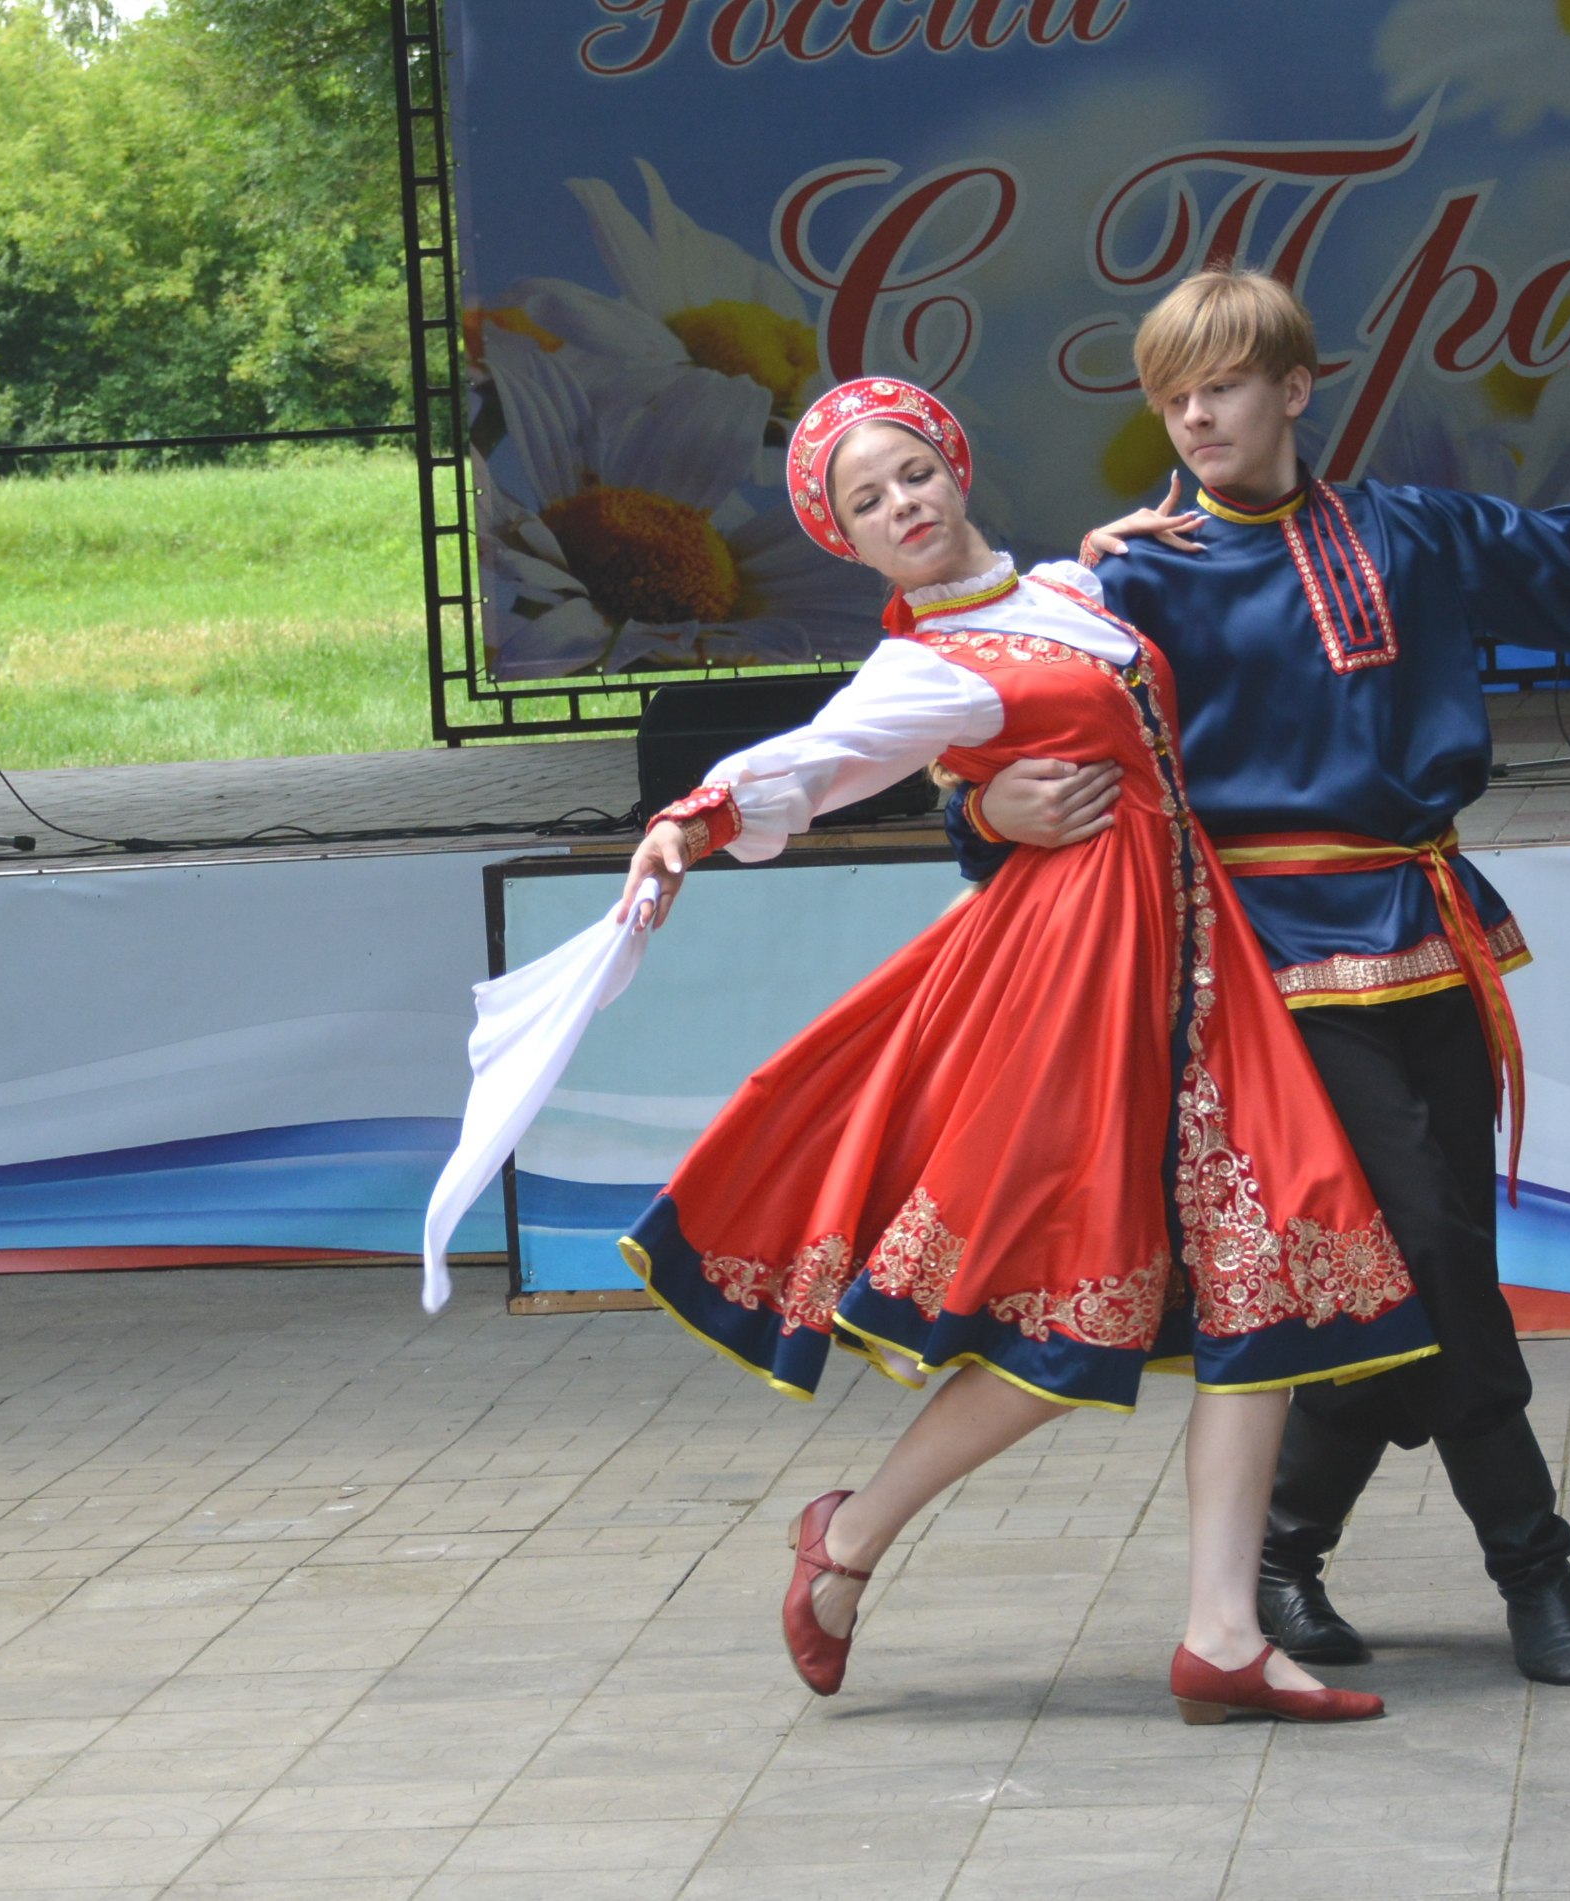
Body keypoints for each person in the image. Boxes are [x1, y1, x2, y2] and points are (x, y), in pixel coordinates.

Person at [953, 267, 1570, 1688]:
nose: (1196, 416)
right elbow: (990, 732)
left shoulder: (1406, 533)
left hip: (1428, 932)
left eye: (1223, 385)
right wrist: (983, 811)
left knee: (1416, 1266)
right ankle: (1535, 1570)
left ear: (1295, 388)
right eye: (1172, 396)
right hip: (1268, 971)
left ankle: (1286, 1550)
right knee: (1439, 1256)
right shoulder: (1127, 580)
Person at [613, 375, 1439, 1726]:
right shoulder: (921, 667)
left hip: (1198, 962)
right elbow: (819, 759)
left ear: (956, 467)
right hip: (1082, 977)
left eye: (913, 474)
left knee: (1271, 1271)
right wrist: (692, 820)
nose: (902, 506)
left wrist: (1105, 555)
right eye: (866, 503)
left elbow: (1092, 629)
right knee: (1075, 1296)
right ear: (848, 542)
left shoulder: (1068, 587)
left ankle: (1222, 1636)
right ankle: (852, 1532)